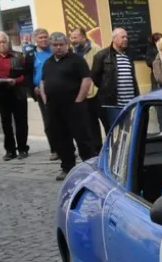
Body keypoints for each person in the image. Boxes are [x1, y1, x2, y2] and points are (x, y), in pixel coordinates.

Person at [40, 32, 94, 180]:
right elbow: (43, 82)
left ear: (67, 45)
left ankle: (90, 167)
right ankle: (67, 168)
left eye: (61, 45)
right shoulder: (48, 62)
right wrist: (45, 100)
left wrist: (79, 100)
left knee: (83, 138)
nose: (58, 48)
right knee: (61, 140)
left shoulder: (76, 60)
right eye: (55, 45)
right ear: (51, 46)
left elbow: (86, 79)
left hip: (74, 106)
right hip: (54, 108)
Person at [0, 30, 30, 161]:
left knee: (21, 122)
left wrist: (15, 81)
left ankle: (22, 148)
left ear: (8, 42)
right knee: (6, 123)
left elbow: (27, 75)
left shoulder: (18, 56)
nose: (3, 44)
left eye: (4, 41)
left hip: (18, 92)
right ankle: (10, 150)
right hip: (2, 93)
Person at [91, 27, 140, 130]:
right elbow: (95, 77)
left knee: (130, 132)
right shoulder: (102, 55)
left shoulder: (129, 55)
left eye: (126, 37)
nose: (126, 39)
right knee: (115, 133)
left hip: (130, 103)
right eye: (122, 37)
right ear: (114, 39)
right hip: (112, 105)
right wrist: (106, 88)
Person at [25, 28, 57, 160]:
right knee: (49, 122)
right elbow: (28, 74)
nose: (43, 40)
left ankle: (66, 148)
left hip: (58, 91)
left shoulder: (55, 51)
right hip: (41, 93)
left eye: (45, 37)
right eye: (40, 38)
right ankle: (55, 149)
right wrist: (33, 89)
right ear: (35, 40)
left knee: (62, 121)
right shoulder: (31, 55)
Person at [70, 27, 104, 153]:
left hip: (97, 92)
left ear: (84, 37)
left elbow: (101, 71)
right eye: (72, 37)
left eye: (75, 37)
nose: (72, 40)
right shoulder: (73, 53)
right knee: (90, 124)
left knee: (105, 122)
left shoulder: (96, 49)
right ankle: (97, 149)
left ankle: (111, 149)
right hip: (83, 94)